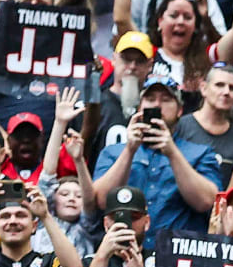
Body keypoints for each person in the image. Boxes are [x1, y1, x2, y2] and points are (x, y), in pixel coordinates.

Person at [92, 76, 222, 245]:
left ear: (180, 110)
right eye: (150, 99)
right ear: (140, 107)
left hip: (177, 255)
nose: (157, 105)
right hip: (124, 249)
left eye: (166, 100)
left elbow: (207, 202)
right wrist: (130, 150)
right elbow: (101, 201)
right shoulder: (114, 152)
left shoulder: (201, 153)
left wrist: (172, 153)